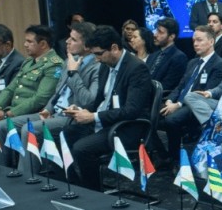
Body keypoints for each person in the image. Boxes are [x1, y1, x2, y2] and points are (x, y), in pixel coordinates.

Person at [62, 25, 153, 190]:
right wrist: (81, 109)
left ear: (114, 48)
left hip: (127, 127)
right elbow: (99, 100)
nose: (96, 59)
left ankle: (93, 193)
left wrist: (93, 116)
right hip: (106, 121)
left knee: (82, 148)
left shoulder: (136, 68)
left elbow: (131, 110)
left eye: (99, 54)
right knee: (65, 134)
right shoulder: (105, 65)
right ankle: (77, 185)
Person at [0, 25, 64, 159]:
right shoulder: (28, 62)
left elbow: (41, 98)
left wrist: (9, 113)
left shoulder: (54, 64)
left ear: (43, 44)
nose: (25, 44)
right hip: (14, 110)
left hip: (33, 112)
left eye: (29, 41)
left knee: (0, 126)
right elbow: (11, 88)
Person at [159, 25, 222, 162]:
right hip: (179, 102)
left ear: (211, 41)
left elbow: (203, 96)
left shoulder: (219, 64)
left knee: (171, 120)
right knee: (151, 115)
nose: (195, 44)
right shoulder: (193, 62)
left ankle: (175, 160)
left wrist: (178, 105)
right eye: (194, 40)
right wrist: (170, 100)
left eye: (199, 40)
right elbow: (181, 86)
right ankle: (163, 154)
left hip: (195, 106)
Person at [147, 18, 189, 99]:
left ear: (171, 36)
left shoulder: (179, 57)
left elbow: (167, 87)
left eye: (160, 32)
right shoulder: (153, 55)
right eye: (156, 31)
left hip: (159, 99)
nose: (155, 34)